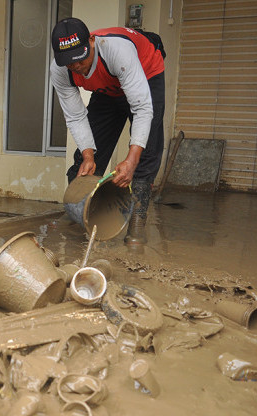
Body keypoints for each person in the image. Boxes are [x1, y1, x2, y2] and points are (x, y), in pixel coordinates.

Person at [50, 17, 165, 245]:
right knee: (85, 159)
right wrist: (88, 154)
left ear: (92, 41)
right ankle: (80, 215)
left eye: (80, 59)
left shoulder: (117, 51)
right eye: (69, 62)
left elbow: (142, 108)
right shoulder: (60, 70)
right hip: (109, 88)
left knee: (147, 151)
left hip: (146, 73)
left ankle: (136, 227)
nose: (76, 67)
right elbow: (75, 116)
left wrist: (131, 160)